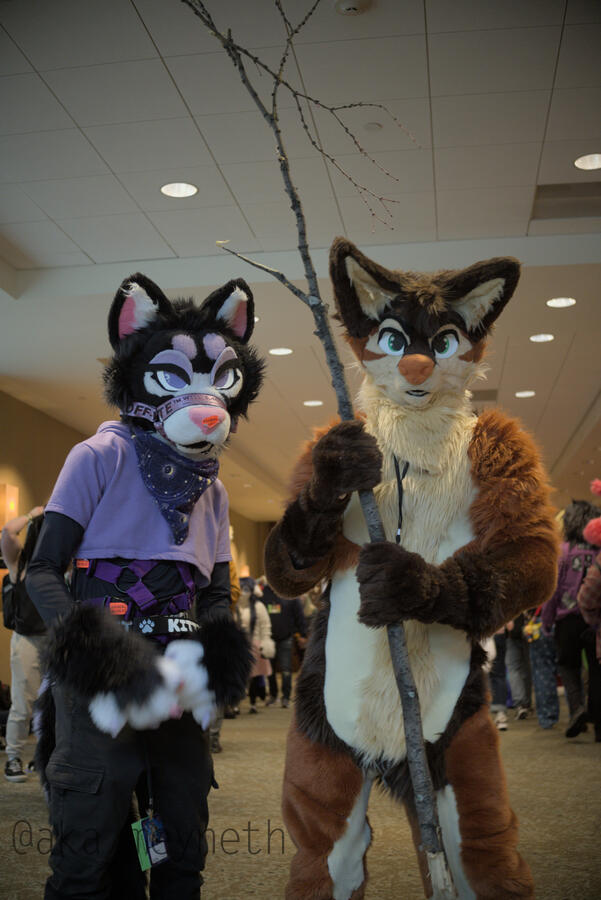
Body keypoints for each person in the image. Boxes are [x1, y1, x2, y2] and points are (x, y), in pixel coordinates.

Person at [26, 272, 263, 898]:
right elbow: (41, 572)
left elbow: (214, 593)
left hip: (178, 682)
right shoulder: (97, 457)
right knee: (91, 848)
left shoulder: (213, 490)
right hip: (101, 677)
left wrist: (214, 657)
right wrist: (102, 655)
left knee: (179, 837)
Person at [542, 500, 601, 740]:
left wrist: (547, 620)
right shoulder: (598, 552)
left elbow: (552, 591)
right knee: (596, 670)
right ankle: (598, 723)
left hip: (567, 620)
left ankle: (577, 708)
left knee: (568, 666)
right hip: (594, 619)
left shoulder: (563, 552)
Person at [1, 506, 46, 782]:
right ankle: (14, 757)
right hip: (27, 640)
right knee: (22, 703)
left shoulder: (61, 564)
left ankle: (41, 757)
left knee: (50, 704)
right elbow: (7, 531)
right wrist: (33, 514)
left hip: (56, 640)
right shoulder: (19, 563)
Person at [259, 579, 306, 708]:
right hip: (268, 638)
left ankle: (286, 697)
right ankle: (273, 695)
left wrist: (303, 634)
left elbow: (299, 615)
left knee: (286, 669)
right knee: (270, 670)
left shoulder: (288, 592)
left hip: (286, 638)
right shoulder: (264, 594)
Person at [237, 577, 275, 712]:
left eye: (246, 589)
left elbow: (265, 626)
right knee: (238, 677)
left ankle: (253, 703)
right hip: (238, 646)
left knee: (254, 675)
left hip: (255, 645)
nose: (243, 593)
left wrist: (266, 641)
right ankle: (235, 704)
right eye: (241, 589)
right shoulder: (235, 606)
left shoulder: (259, 607)